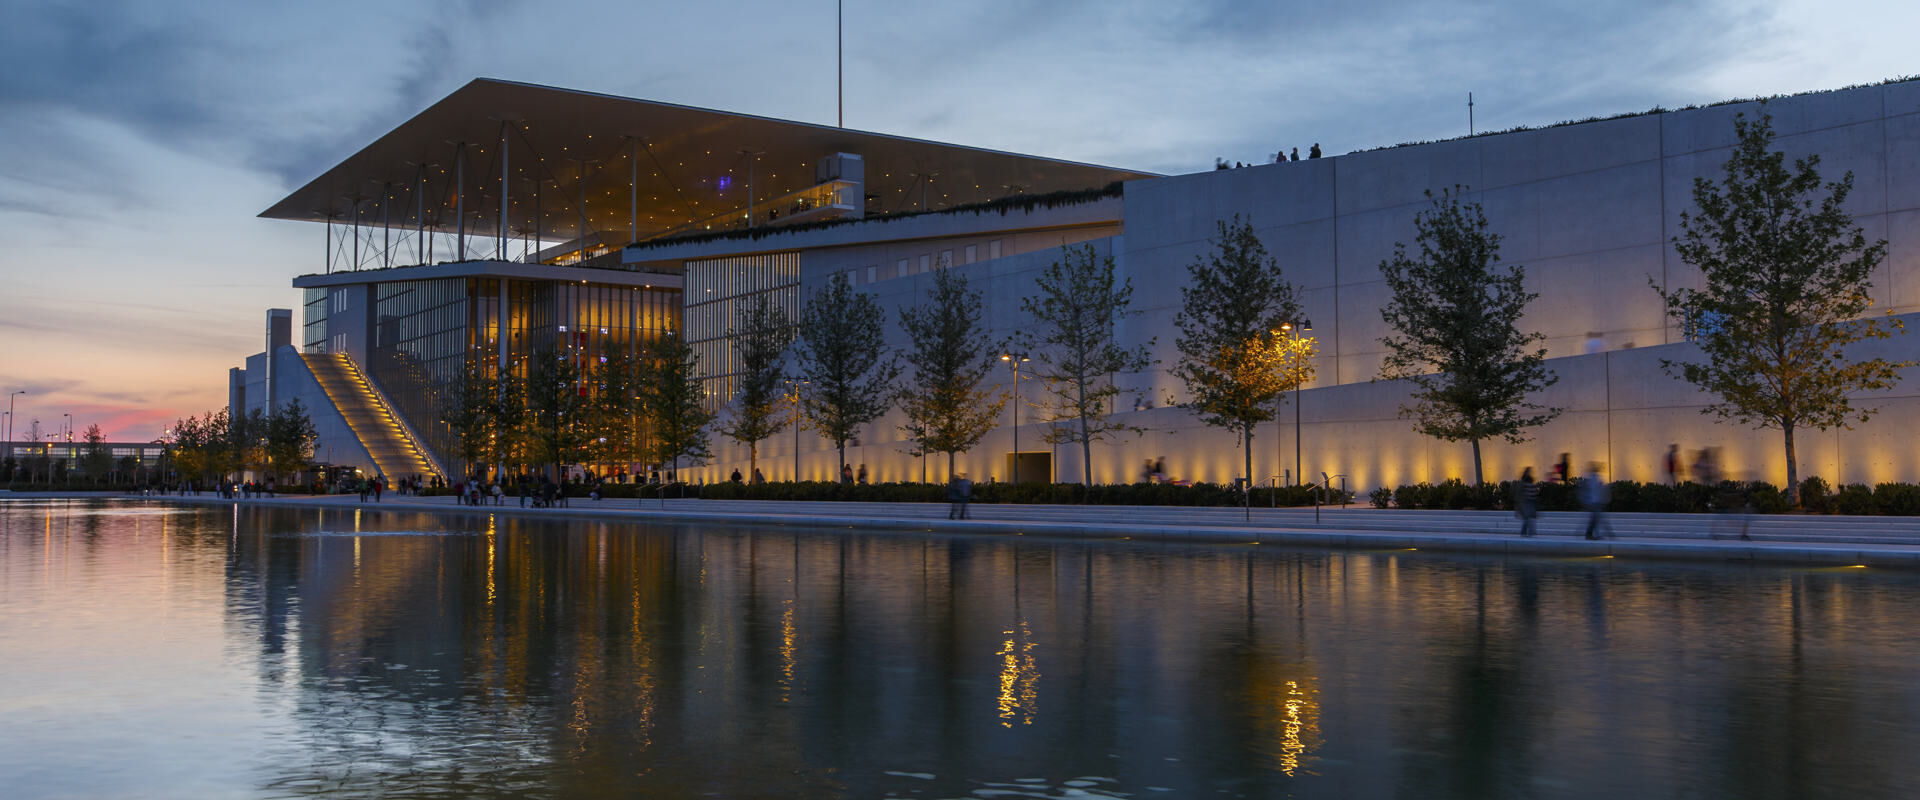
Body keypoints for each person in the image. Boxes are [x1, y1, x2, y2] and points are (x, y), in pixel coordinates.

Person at [1580, 463, 1613, 540]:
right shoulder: (1594, 478)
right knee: (1595, 519)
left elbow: (1593, 490)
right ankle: (1591, 534)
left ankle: (1591, 534)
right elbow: (1596, 490)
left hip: (1594, 502)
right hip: (1594, 502)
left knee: (1595, 519)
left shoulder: (1593, 478)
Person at [1514, 467, 1540, 537]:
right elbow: (1519, 493)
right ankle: (1526, 532)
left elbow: (1534, 491)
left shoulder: (1530, 481)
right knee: (1527, 517)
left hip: (1530, 501)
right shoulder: (1523, 482)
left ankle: (1529, 532)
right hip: (1525, 502)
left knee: (1529, 517)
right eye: (1529, 471)